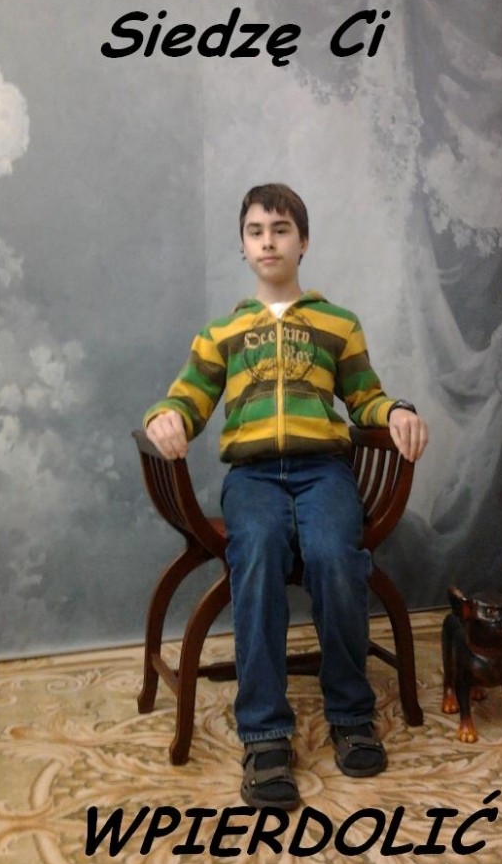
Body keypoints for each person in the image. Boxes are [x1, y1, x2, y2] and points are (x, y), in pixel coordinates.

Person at [145, 183, 428, 810]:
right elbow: (187, 398)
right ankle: (265, 732)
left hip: (324, 471)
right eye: (256, 231)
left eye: (280, 230)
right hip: (252, 479)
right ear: (243, 247)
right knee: (258, 555)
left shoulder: (337, 323)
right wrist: (167, 417)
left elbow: (365, 396)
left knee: (335, 557)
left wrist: (396, 410)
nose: (268, 241)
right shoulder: (222, 332)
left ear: (304, 242)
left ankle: (351, 713)